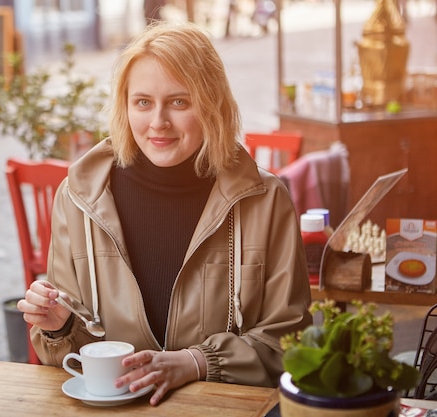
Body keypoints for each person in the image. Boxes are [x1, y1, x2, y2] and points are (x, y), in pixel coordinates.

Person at [17, 21, 312, 406]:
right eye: (143, 102)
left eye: (179, 102)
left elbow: (290, 343)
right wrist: (61, 327)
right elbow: (65, 357)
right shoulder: (78, 197)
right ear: (125, 106)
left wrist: (197, 362)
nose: (158, 122)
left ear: (213, 105)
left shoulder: (264, 199)